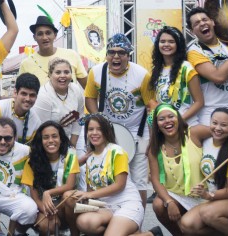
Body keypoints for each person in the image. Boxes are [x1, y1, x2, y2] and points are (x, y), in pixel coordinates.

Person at [85, 34, 151, 203]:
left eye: (121, 53)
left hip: (138, 131)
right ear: (106, 54)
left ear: (128, 55)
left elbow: (152, 107)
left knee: (139, 182)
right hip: (109, 133)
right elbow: (90, 98)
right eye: (111, 52)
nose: (116, 56)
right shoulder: (96, 72)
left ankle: (137, 223)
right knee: (107, 176)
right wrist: (98, 119)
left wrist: (153, 139)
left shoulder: (142, 75)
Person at [64, 114, 143, 236]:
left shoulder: (117, 151)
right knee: (83, 221)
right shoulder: (89, 159)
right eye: (90, 129)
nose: (94, 133)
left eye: (99, 129)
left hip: (126, 203)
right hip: (104, 207)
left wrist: (88, 194)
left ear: (107, 131)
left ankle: (148, 234)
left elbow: (119, 185)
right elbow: (91, 190)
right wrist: (81, 197)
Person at [178, 107, 228, 236]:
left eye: (224, 125)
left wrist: (207, 195)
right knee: (187, 225)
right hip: (216, 201)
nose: (217, 128)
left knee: (208, 214)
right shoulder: (206, 141)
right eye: (214, 123)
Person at [145, 104, 207, 236]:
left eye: (171, 116)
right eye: (161, 119)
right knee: (158, 204)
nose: (167, 121)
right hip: (177, 196)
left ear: (178, 118)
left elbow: (220, 132)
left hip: (203, 194)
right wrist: (169, 201)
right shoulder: (154, 149)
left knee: (193, 227)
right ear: (157, 125)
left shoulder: (194, 133)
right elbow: (156, 180)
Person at [185, 7, 228, 126]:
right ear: (192, 31)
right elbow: (219, 77)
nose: (202, 23)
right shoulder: (194, 52)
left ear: (212, 22)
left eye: (205, 19)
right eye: (197, 23)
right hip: (211, 113)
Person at [22, 121, 79, 236]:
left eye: (54, 136)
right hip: (43, 208)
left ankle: (75, 233)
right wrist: (48, 211)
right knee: (48, 226)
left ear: (61, 138)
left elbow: (70, 185)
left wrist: (48, 193)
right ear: (40, 141)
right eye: (46, 137)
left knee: (70, 196)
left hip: (64, 207)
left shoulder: (70, 156)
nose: (51, 141)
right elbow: (35, 197)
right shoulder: (32, 161)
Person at [141, 27, 204, 126]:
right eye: (162, 41)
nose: (166, 44)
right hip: (166, 127)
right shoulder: (156, 70)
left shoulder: (186, 67)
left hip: (186, 124)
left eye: (171, 41)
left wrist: (179, 120)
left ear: (178, 45)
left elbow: (199, 102)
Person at [18, 16, 88, 87]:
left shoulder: (72, 55)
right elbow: (20, 92)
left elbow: (89, 89)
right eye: (40, 34)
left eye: (48, 33)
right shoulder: (26, 64)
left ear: (55, 35)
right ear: (34, 37)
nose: (45, 37)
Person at [0, 73, 42, 144]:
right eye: (24, 94)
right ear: (15, 93)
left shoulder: (36, 122)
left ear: (36, 97)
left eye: (32, 95)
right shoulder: (0, 107)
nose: (28, 99)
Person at [32, 58, 85, 146]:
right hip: (47, 142)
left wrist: (72, 145)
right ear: (50, 75)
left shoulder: (76, 89)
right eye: (58, 72)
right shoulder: (43, 96)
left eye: (66, 72)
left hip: (73, 137)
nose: (63, 75)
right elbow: (42, 130)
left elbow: (80, 118)